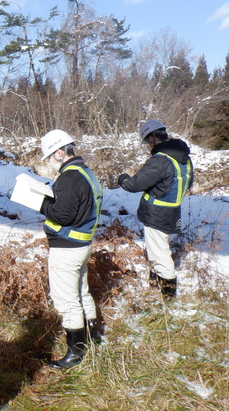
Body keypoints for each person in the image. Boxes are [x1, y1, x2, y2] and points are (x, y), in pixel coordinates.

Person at [38, 129, 103, 369]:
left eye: (49, 157)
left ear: (58, 152)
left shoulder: (68, 177)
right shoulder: (86, 173)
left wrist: (42, 203)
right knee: (82, 292)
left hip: (66, 249)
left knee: (67, 301)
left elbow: (62, 214)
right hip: (82, 245)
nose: (50, 163)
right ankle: (93, 337)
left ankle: (75, 355)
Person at [117, 119, 193, 299]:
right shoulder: (184, 157)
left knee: (160, 256)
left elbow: (134, 184)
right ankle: (155, 288)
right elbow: (187, 183)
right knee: (159, 250)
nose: (147, 145)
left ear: (152, 137)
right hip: (173, 213)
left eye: (147, 141)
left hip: (157, 214)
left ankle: (168, 301)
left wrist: (123, 179)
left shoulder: (160, 160)